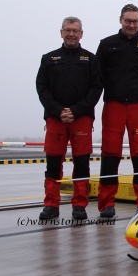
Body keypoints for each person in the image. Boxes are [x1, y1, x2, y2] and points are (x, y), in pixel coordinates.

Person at [96, 4, 138, 217]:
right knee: (110, 155)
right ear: (120, 20)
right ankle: (106, 203)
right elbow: (98, 74)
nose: (131, 24)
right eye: (128, 21)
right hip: (114, 105)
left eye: (135, 21)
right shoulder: (107, 45)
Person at [36, 16, 103, 220]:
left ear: (81, 34)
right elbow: (42, 88)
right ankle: (51, 204)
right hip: (56, 119)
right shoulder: (49, 59)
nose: (71, 34)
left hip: (81, 118)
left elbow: (96, 88)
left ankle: (79, 205)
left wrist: (76, 110)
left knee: (81, 163)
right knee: (53, 163)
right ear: (61, 32)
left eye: (75, 30)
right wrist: (58, 111)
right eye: (68, 30)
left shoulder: (90, 59)